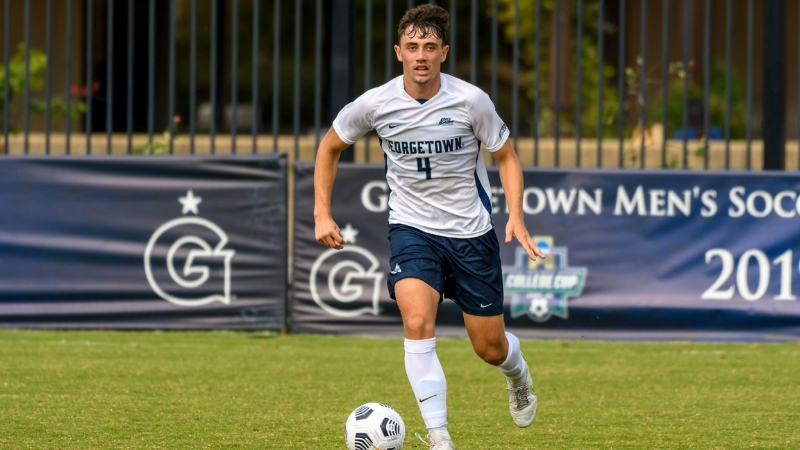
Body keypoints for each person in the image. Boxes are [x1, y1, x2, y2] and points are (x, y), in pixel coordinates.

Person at [314, 4, 545, 449]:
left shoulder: (470, 100)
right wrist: (322, 213)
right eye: (413, 47)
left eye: (431, 47)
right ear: (399, 52)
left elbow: (506, 157)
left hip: (470, 234)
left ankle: (517, 376)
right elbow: (329, 147)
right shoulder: (376, 103)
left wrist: (515, 215)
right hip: (412, 229)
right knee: (417, 320)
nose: (422, 55)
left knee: (489, 348)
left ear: (444, 53)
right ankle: (440, 439)